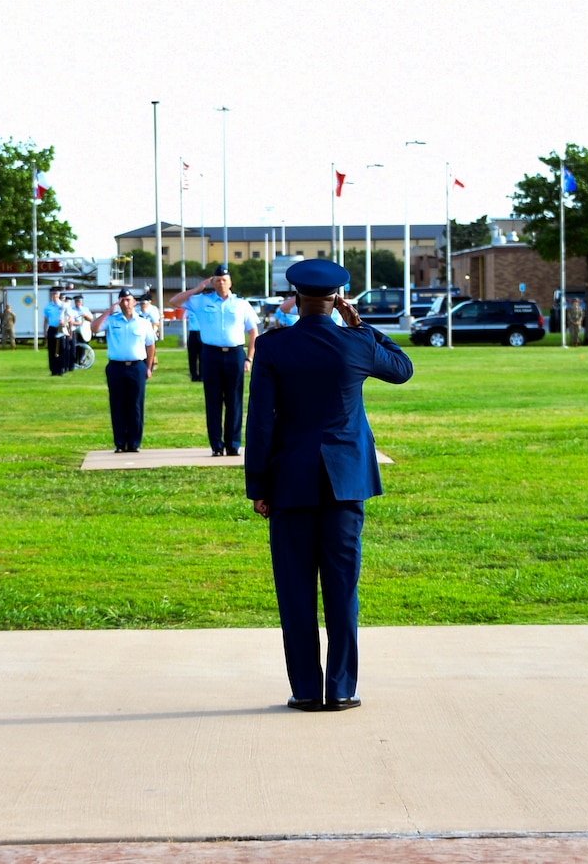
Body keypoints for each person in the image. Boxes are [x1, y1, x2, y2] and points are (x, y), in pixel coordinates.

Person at [245, 259, 413, 713]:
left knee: (295, 589)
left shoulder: (274, 347)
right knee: (342, 587)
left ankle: (304, 689)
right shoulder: (354, 344)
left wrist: (257, 485)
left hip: (290, 482)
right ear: (338, 300)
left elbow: (259, 423)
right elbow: (402, 368)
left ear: (296, 298)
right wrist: (364, 327)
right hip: (345, 482)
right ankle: (340, 688)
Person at [171, 265, 261, 456]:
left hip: (235, 354)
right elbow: (174, 302)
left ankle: (233, 444)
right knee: (213, 401)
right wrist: (197, 289)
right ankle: (216, 446)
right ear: (212, 282)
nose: (221, 283)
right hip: (211, 354)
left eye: (224, 280)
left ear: (230, 282)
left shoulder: (241, 304)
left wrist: (249, 358)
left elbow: (253, 332)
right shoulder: (201, 301)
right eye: (217, 280)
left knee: (234, 401)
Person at [98, 289, 159, 452]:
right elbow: (94, 328)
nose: (126, 303)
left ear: (134, 302)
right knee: (117, 405)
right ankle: (120, 442)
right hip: (116, 366)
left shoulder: (143, 322)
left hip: (137, 366)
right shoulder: (112, 320)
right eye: (122, 300)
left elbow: (150, 345)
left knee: (136, 405)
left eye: (128, 300)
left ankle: (134, 443)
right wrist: (108, 311)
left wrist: (148, 367)